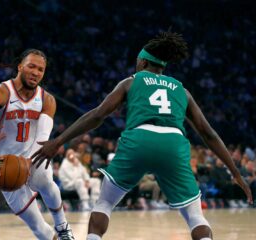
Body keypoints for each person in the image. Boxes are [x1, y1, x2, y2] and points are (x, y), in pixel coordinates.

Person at [31, 31, 253, 240]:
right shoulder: (182, 90)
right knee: (195, 216)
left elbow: (98, 116)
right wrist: (235, 172)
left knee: (105, 204)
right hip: (173, 143)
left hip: (139, 139)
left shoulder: (131, 81)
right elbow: (209, 133)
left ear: (143, 62)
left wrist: (59, 141)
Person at [0, 49, 75, 239]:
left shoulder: (47, 100)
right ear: (20, 67)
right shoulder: (0, 92)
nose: (36, 72)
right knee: (38, 227)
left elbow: (42, 138)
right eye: (31, 66)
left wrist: (27, 161)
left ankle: (62, 226)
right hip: (3, 164)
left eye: (41, 70)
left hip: (33, 157)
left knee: (43, 176)